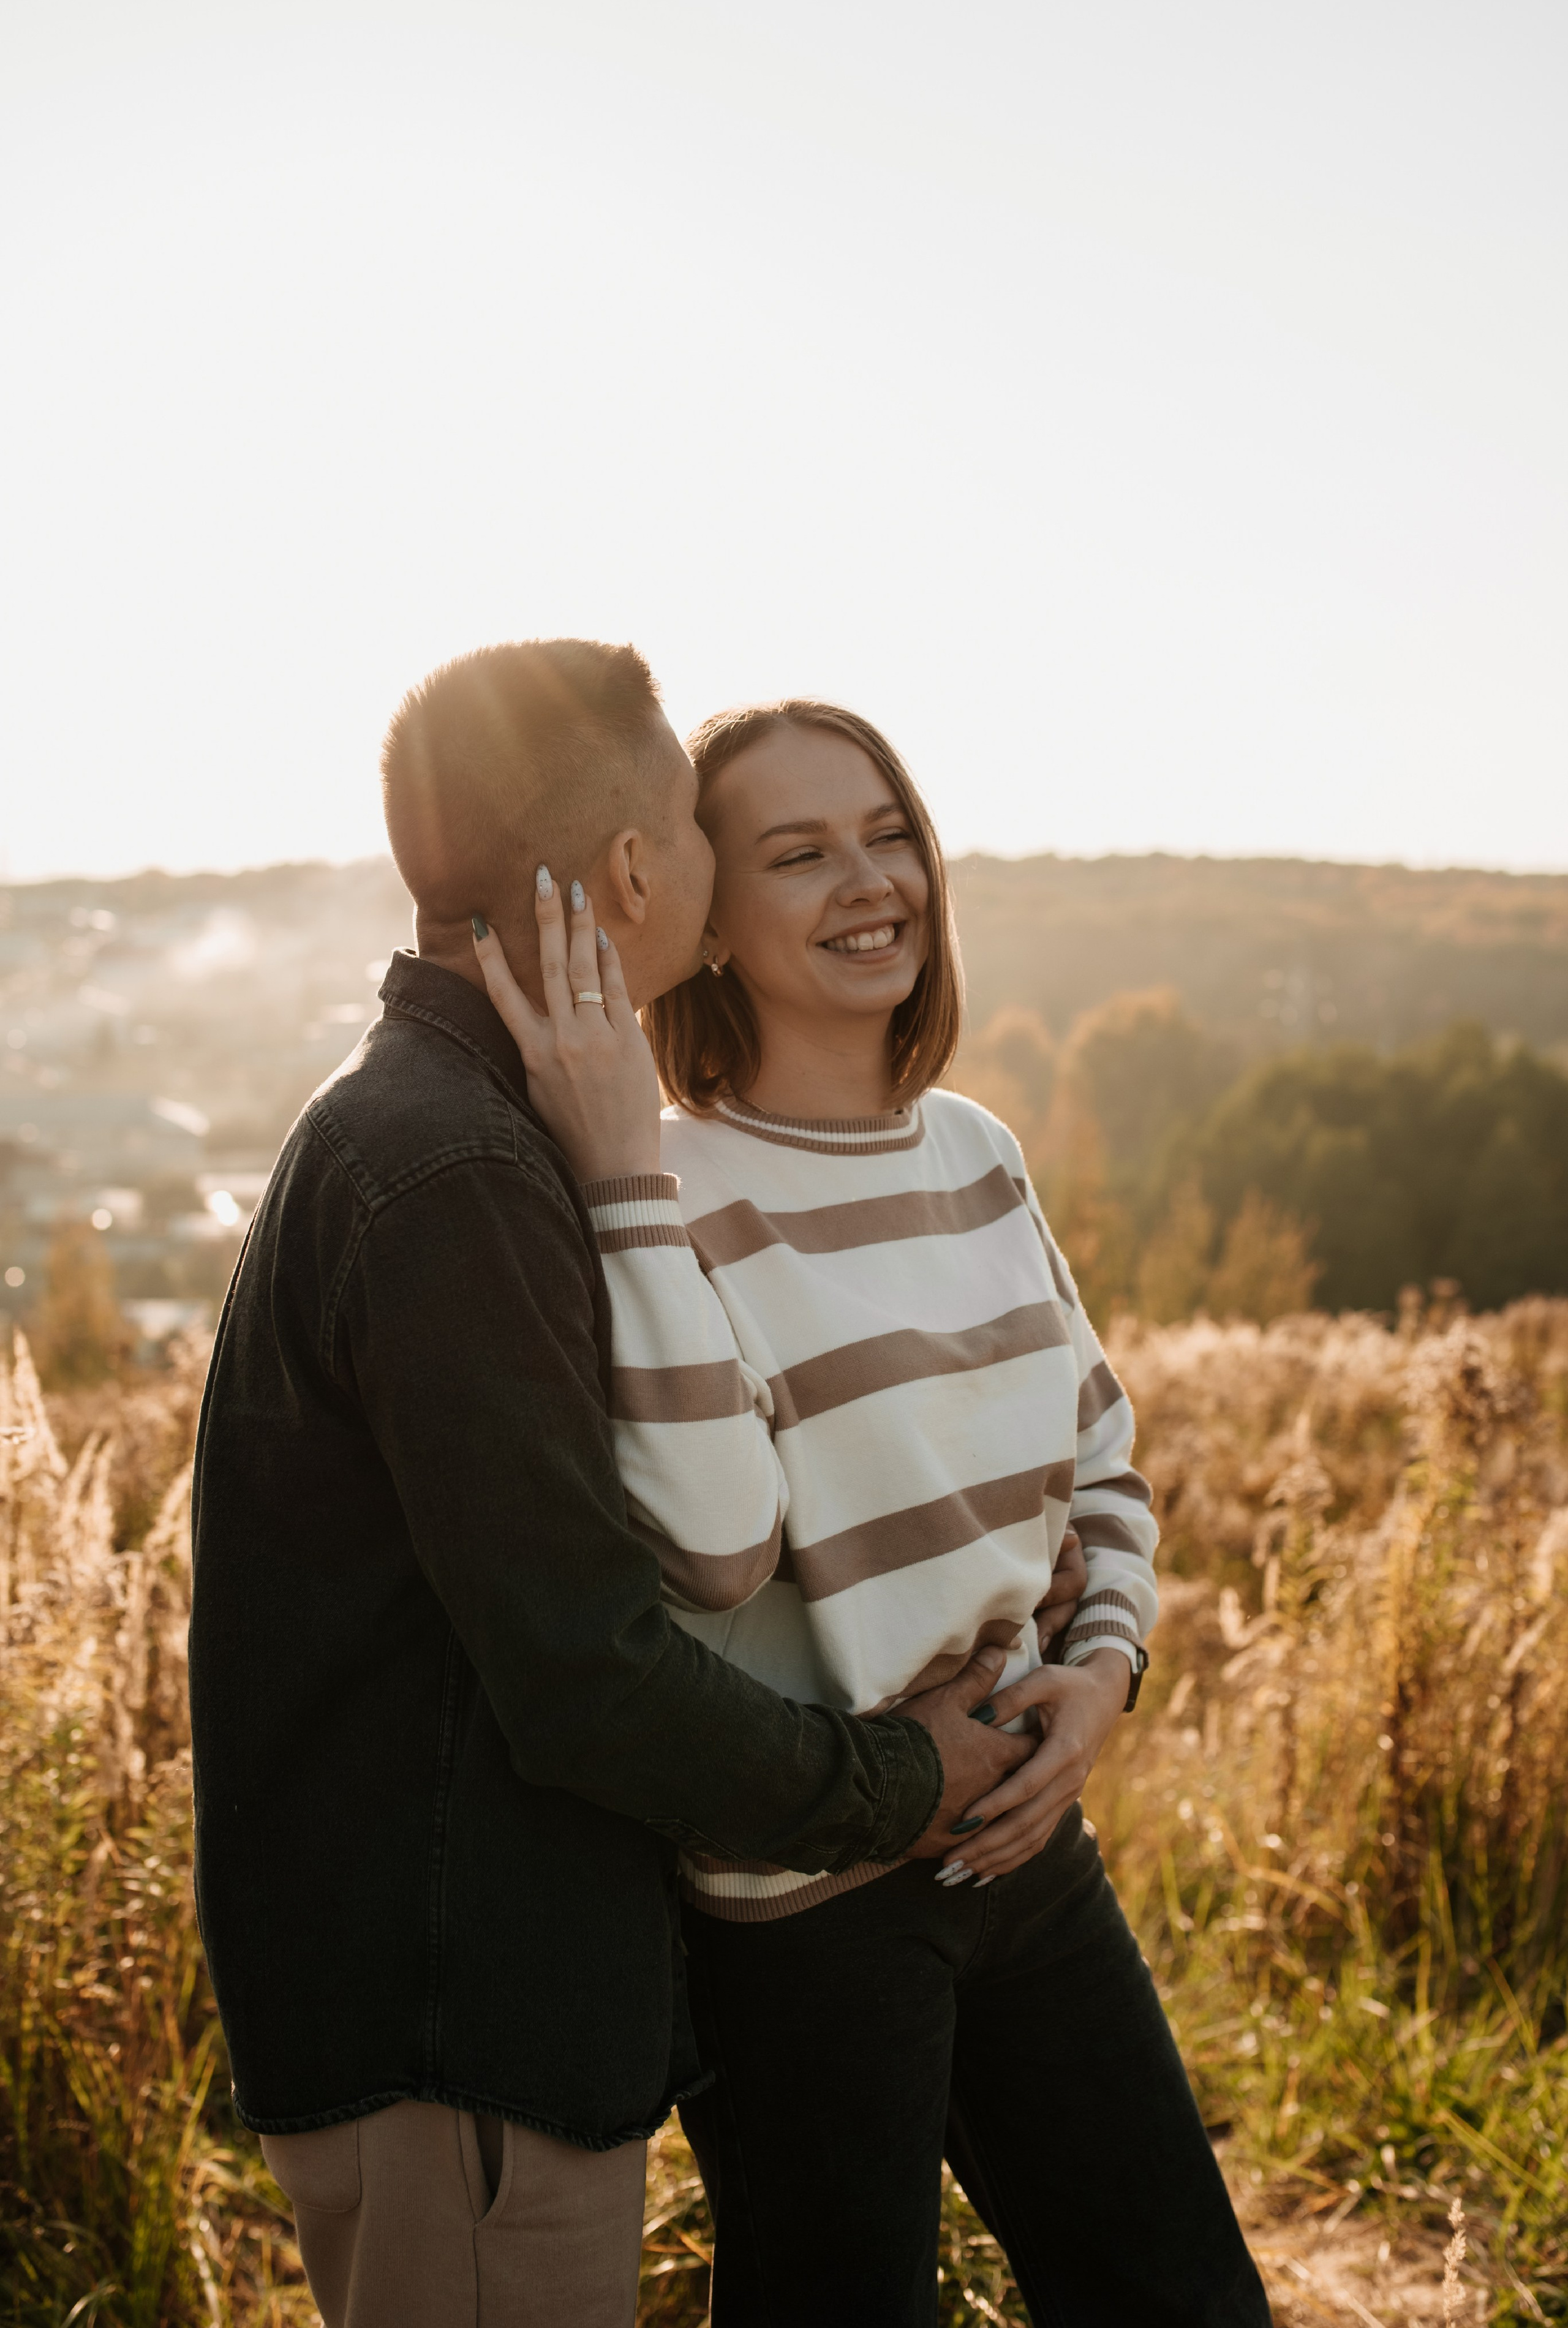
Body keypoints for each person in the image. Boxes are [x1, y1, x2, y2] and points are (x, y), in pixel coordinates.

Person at [187, 646, 1042, 2328]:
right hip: (457, 2026)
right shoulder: (453, 1175)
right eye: (711, 842)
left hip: (474, 2009)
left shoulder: (453, 1128)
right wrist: (895, 1778)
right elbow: (588, 1672)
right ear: (643, 873)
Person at [473, 695, 1270, 2326]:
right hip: (805, 1913)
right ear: (709, 916)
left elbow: (1102, 1461)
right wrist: (626, 1184)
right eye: (799, 850)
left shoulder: (977, 1152)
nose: (869, 879)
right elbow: (704, 1546)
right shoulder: (662, 1189)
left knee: (1186, 2300)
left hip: (1025, 1846)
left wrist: (1102, 1682)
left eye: (888, 829)